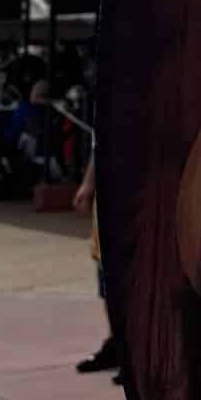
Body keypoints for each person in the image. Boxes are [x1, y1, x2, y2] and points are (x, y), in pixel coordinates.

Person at [74, 150, 122, 377]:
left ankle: (135, 352)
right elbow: (98, 144)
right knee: (107, 273)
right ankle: (117, 344)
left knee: (130, 277)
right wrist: (88, 182)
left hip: (135, 186)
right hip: (108, 191)